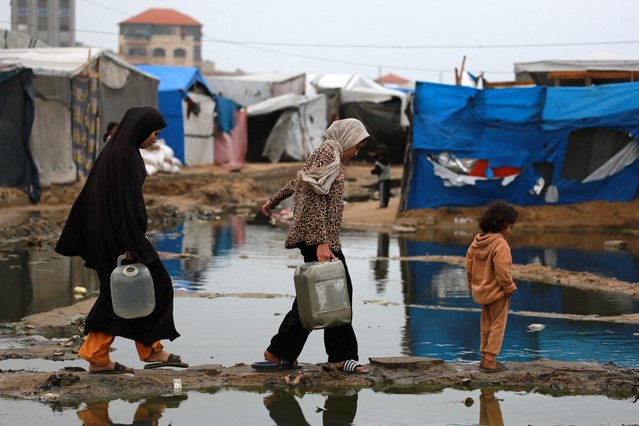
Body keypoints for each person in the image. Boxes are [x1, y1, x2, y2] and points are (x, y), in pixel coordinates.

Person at [55, 106, 186, 374]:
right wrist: (130, 244)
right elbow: (125, 206)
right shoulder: (125, 156)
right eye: (154, 133)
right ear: (140, 130)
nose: (155, 139)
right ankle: (112, 354)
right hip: (118, 237)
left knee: (124, 293)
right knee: (153, 285)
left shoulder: (116, 152)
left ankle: (139, 351)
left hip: (107, 234)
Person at [260, 118, 370, 374]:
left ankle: (279, 352)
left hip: (320, 238)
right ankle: (340, 358)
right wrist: (321, 242)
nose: (357, 152)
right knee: (338, 295)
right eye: (357, 146)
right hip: (318, 239)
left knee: (314, 299)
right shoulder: (326, 153)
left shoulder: (329, 153)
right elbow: (315, 196)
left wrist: (274, 199)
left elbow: (301, 183)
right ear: (348, 138)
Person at [465, 200, 518, 373]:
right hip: (497, 293)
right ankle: (490, 359)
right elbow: (503, 272)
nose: (510, 232)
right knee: (498, 325)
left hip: (481, 292)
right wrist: (509, 288)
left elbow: (469, 269)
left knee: (486, 324)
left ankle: (483, 356)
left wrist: (472, 286)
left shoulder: (476, 243)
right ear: (500, 225)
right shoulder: (500, 244)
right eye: (510, 227)